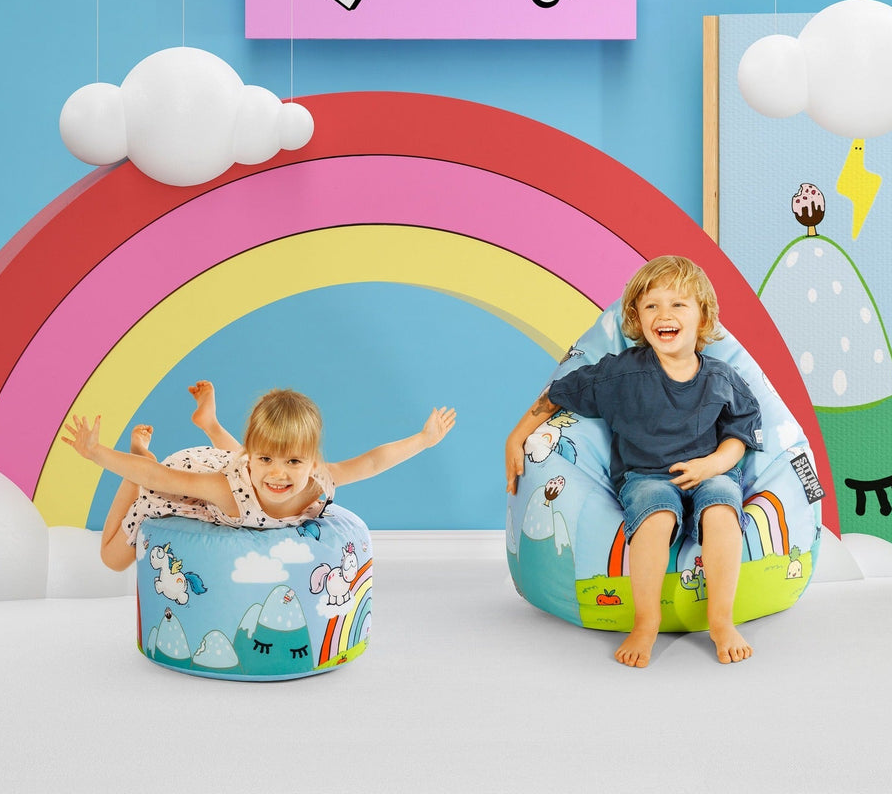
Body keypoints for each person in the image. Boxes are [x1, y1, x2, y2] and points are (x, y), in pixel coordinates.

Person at [504, 255, 761, 668]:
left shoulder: (721, 377)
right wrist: (516, 437)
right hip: (647, 477)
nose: (665, 314)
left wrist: (712, 465)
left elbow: (741, 435)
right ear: (638, 319)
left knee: (722, 512)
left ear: (703, 316)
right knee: (656, 518)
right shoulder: (621, 375)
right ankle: (646, 622)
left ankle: (720, 620)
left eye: (679, 304)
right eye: (652, 305)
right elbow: (557, 393)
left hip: (711, 472)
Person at [63, 380, 456, 571]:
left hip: (236, 462)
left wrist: (425, 439)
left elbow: (372, 462)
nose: (281, 475)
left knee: (256, 465)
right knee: (112, 559)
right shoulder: (227, 492)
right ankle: (136, 464)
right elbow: (164, 479)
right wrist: (98, 453)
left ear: (313, 461)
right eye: (266, 458)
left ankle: (210, 423)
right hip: (179, 475)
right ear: (252, 455)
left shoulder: (318, 480)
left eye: (295, 463)